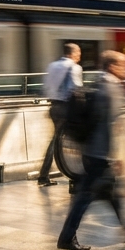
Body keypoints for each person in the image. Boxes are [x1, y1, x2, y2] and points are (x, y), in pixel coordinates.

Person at [57, 50, 125, 250]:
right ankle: (66, 238)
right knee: (84, 198)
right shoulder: (111, 89)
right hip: (99, 154)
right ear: (112, 67)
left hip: (92, 151)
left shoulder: (99, 85)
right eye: (124, 65)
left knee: (111, 194)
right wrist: (114, 156)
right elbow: (110, 126)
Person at [39, 43, 84, 187]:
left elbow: (46, 87)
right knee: (79, 138)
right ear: (72, 53)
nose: (79, 56)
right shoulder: (74, 67)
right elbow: (75, 89)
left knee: (56, 140)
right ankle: (79, 172)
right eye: (78, 53)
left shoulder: (52, 66)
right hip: (66, 108)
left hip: (54, 107)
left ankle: (43, 175)